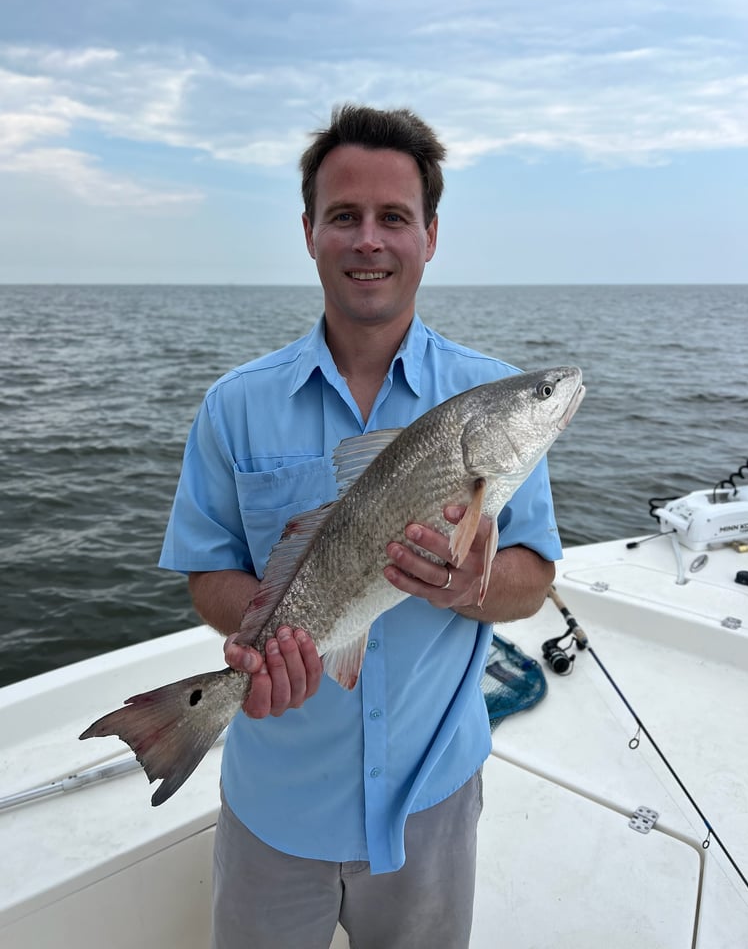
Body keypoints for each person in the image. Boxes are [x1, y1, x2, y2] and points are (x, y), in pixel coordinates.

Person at [159, 104, 561, 949]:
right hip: (276, 807)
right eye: (345, 216)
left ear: (431, 235)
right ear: (309, 231)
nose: (368, 240)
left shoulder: (486, 400)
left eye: (393, 218)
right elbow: (208, 572)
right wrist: (267, 639)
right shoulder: (234, 406)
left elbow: (532, 579)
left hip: (432, 803)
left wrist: (468, 582)